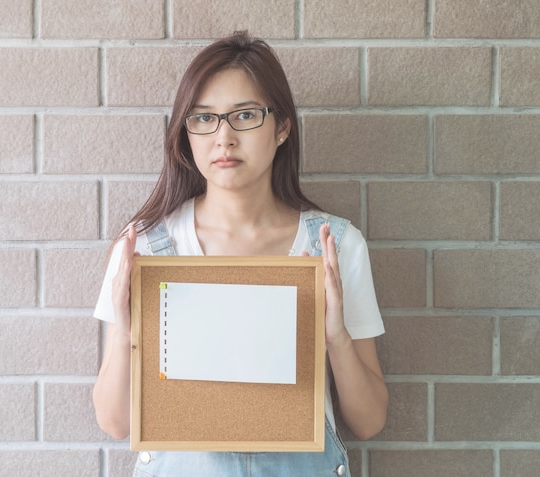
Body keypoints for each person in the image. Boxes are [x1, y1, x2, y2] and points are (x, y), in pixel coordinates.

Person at [92, 31, 388, 476]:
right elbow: (115, 422)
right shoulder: (144, 248)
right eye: (204, 119)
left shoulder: (336, 245)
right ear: (185, 132)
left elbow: (368, 422)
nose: (223, 138)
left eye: (245, 115)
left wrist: (335, 336)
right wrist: (123, 330)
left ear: (283, 126)